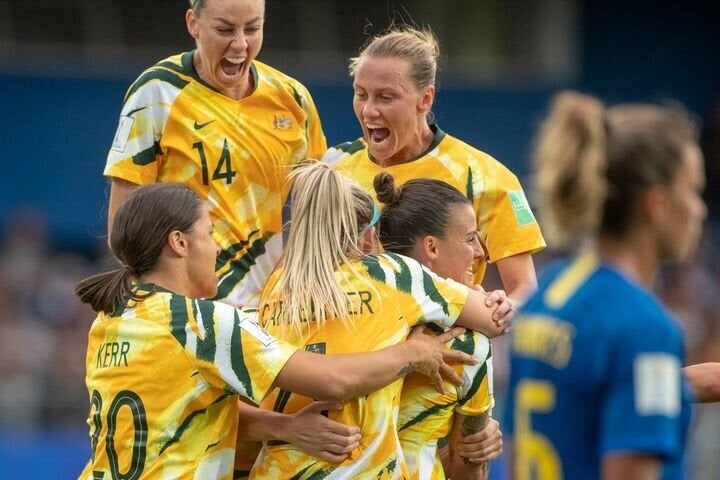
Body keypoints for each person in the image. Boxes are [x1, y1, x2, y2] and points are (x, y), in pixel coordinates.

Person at [75, 182, 480, 480]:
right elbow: (333, 380)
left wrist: (284, 426)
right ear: (179, 242)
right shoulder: (202, 323)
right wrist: (413, 353)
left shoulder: (110, 321)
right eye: (210, 234)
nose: (217, 248)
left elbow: (188, 409)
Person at [250, 163, 512, 479]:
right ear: (369, 237)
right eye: (470, 238)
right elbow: (494, 321)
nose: (479, 251)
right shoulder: (393, 276)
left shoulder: (275, 288)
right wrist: (492, 300)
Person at [505, 91, 706, 479]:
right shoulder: (646, 329)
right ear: (656, 204)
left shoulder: (548, 294)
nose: (700, 210)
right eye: (693, 191)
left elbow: (516, 455)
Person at [104, 0, 326, 307]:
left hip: (269, 312)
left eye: (253, 28)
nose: (240, 44)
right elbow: (123, 228)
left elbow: (321, 206)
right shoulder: (157, 94)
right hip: (188, 313)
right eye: (224, 29)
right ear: (193, 23)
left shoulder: (292, 98)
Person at [323, 26, 545, 304]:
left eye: (386, 97)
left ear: (425, 99)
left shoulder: (483, 175)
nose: (368, 110)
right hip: (352, 345)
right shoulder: (333, 165)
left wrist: (500, 308)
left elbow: (525, 290)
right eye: (361, 94)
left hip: (446, 346)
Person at [375, 171, 504, 480]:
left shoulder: (353, 311)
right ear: (431, 248)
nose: (480, 253)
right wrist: (474, 442)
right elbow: (467, 468)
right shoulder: (465, 343)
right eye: (470, 238)